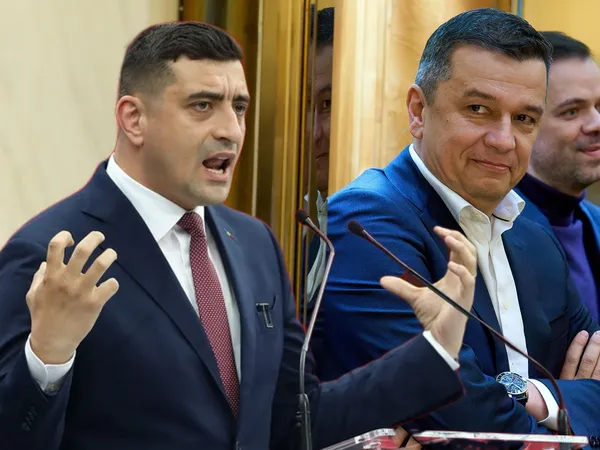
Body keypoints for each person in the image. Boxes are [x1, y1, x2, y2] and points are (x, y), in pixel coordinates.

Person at [0, 22, 478, 450]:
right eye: (202, 105)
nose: (230, 130)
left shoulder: (253, 244)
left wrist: (437, 346)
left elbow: (296, 422)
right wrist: (47, 358)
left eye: (239, 107)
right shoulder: (53, 253)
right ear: (134, 119)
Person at [315, 8, 600, 439]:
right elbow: (455, 418)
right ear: (418, 111)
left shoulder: (531, 228)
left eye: (524, 119)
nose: (503, 140)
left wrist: (532, 397)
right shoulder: (366, 223)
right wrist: (562, 410)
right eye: (478, 109)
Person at [516, 31, 600, 323]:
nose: (596, 123)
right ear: (525, 123)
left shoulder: (593, 221)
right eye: (572, 111)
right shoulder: (491, 230)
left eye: (599, 106)